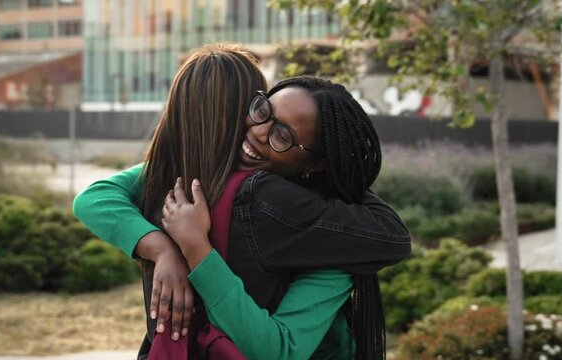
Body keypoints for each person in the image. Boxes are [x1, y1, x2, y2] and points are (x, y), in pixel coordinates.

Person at [73, 44, 410, 359]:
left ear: (316, 163)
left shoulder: (322, 227)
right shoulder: (187, 181)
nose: (259, 131)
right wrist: (162, 248)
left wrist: (195, 248)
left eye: (282, 135)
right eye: (263, 110)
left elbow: (391, 237)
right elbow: (94, 197)